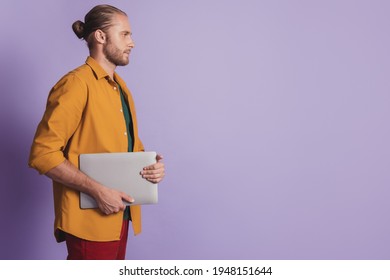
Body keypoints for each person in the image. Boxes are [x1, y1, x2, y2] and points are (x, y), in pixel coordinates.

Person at [28, 4, 165, 260]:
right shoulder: (76, 84)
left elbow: (127, 148)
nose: (132, 42)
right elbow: (42, 154)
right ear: (101, 36)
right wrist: (98, 191)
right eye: (124, 34)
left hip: (121, 216)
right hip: (89, 223)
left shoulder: (121, 88)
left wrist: (151, 165)